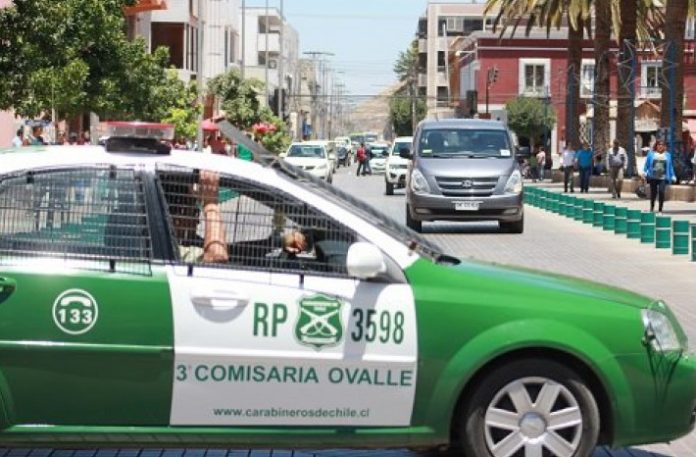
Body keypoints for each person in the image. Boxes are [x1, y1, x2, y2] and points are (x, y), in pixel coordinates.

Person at [164, 170, 229, 263]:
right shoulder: (173, 252)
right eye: (194, 213)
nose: (197, 221)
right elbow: (217, 256)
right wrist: (210, 203)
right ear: (177, 219)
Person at [642, 139, 676, 213]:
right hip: (653, 177)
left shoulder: (668, 155)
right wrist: (644, 172)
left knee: (661, 192)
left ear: (664, 146)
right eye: (659, 145)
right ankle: (652, 207)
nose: (660, 146)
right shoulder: (651, 154)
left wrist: (673, 175)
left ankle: (660, 209)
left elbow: (670, 166)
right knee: (653, 193)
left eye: (662, 145)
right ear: (656, 146)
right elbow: (647, 164)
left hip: (663, 177)